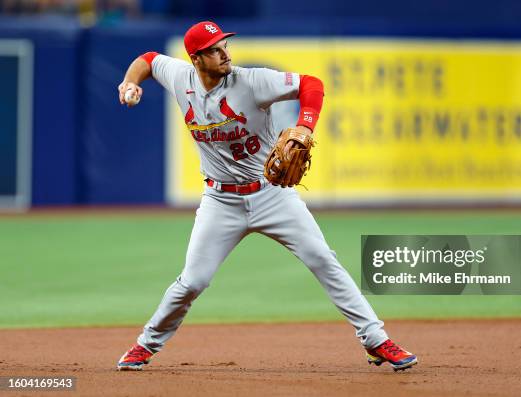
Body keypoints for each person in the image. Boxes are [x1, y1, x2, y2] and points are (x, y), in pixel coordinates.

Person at [116, 20, 418, 372]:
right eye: (214, 49)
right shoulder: (180, 76)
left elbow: (311, 84)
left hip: (271, 194)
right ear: (197, 59)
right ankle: (145, 344)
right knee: (193, 281)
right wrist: (129, 82)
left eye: (225, 45)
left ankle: (376, 340)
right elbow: (149, 59)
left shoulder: (252, 81)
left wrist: (305, 125)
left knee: (322, 258)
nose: (224, 53)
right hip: (220, 202)